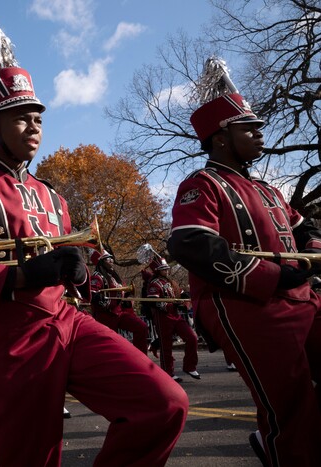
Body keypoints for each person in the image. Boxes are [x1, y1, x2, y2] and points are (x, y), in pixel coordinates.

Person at [0, 17, 188, 467]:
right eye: (21, 115)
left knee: (164, 403)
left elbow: (65, 258)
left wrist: (75, 266)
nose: (35, 123)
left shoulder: (53, 195)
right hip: (6, 337)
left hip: (67, 321)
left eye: (38, 115)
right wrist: (15, 276)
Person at [168, 81, 321, 466]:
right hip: (247, 302)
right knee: (291, 406)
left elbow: (304, 231)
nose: (259, 133)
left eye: (258, 126)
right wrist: (271, 275)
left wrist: (315, 258)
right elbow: (190, 243)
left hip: (302, 296)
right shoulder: (202, 184)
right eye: (248, 128)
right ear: (220, 138)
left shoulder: (270, 189)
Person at [145, 256, 200, 382]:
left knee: (192, 337)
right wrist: (172, 304)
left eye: (167, 268)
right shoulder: (154, 284)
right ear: (157, 270)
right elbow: (154, 302)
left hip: (176, 316)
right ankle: (168, 372)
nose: (166, 271)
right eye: (163, 269)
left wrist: (184, 295)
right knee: (166, 346)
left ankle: (190, 366)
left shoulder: (170, 281)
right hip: (163, 317)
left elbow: (178, 293)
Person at [89, 249, 149, 354]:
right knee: (111, 347)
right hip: (105, 316)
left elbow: (120, 293)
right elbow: (92, 293)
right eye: (108, 259)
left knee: (141, 327)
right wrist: (103, 302)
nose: (111, 260)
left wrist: (126, 297)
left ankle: (141, 358)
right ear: (101, 261)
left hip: (119, 313)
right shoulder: (97, 276)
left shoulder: (114, 277)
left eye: (111, 258)